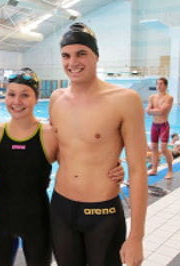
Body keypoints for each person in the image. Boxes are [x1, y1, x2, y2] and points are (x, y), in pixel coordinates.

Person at [0, 68, 125, 266]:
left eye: (25, 95)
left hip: (38, 220)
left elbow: (78, 167)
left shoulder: (50, 134)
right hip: (1, 219)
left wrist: (112, 168)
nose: (16, 101)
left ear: (37, 99)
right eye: (11, 94)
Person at [49, 22, 147, 266]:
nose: (73, 62)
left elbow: (138, 170)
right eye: (66, 55)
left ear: (96, 56)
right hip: (60, 207)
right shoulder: (56, 99)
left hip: (102, 213)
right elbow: (55, 152)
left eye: (81, 53)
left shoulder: (124, 100)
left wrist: (136, 237)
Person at [146, 77, 174, 179]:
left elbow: (163, 112)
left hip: (163, 126)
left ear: (166, 86)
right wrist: (156, 110)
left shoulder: (169, 98)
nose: (159, 86)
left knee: (163, 148)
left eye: (161, 84)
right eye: (157, 84)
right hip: (154, 125)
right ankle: (154, 169)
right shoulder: (152, 97)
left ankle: (170, 170)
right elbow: (147, 111)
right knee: (154, 148)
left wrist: (154, 110)